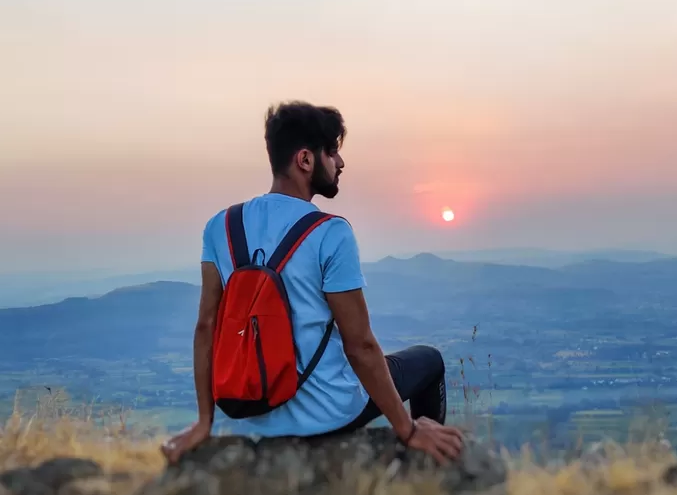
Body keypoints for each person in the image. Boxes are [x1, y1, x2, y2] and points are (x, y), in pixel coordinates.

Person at [161, 101, 466, 466]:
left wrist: (204, 422)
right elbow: (361, 347)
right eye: (332, 151)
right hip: (326, 415)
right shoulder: (330, 232)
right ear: (305, 160)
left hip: (248, 415)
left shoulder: (220, 226)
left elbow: (206, 327)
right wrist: (409, 430)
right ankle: (428, 466)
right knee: (429, 361)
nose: (340, 163)